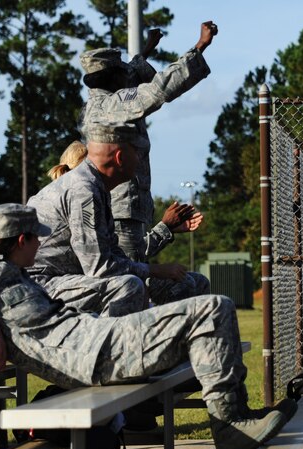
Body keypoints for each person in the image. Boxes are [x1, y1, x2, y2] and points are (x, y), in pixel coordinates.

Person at [0, 203, 296, 449]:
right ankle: (231, 430)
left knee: (212, 312)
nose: (41, 243)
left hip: (96, 338)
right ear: (22, 240)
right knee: (214, 308)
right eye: (37, 238)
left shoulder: (15, 273)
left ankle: (235, 420)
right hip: (88, 356)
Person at [77, 22, 216, 286]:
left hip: (124, 211)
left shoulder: (96, 104)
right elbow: (158, 89)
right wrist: (199, 47)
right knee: (130, 286)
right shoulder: (113, 105)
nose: (128, 76)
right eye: (122, 73)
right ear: (113, 79)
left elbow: (131, 72)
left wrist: (147, 49)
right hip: (122, 213)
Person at [28, 137, 206, 313]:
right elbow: (103, 267)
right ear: (119, 158)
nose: (139, 160)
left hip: (68, 279)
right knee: (129, 286)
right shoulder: (84, 191)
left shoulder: (97, 192)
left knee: (190, 282)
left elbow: (117, 256)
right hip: (41, 286)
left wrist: (165, 232)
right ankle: (120, 342)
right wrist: (158, 266)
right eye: (135, 153)